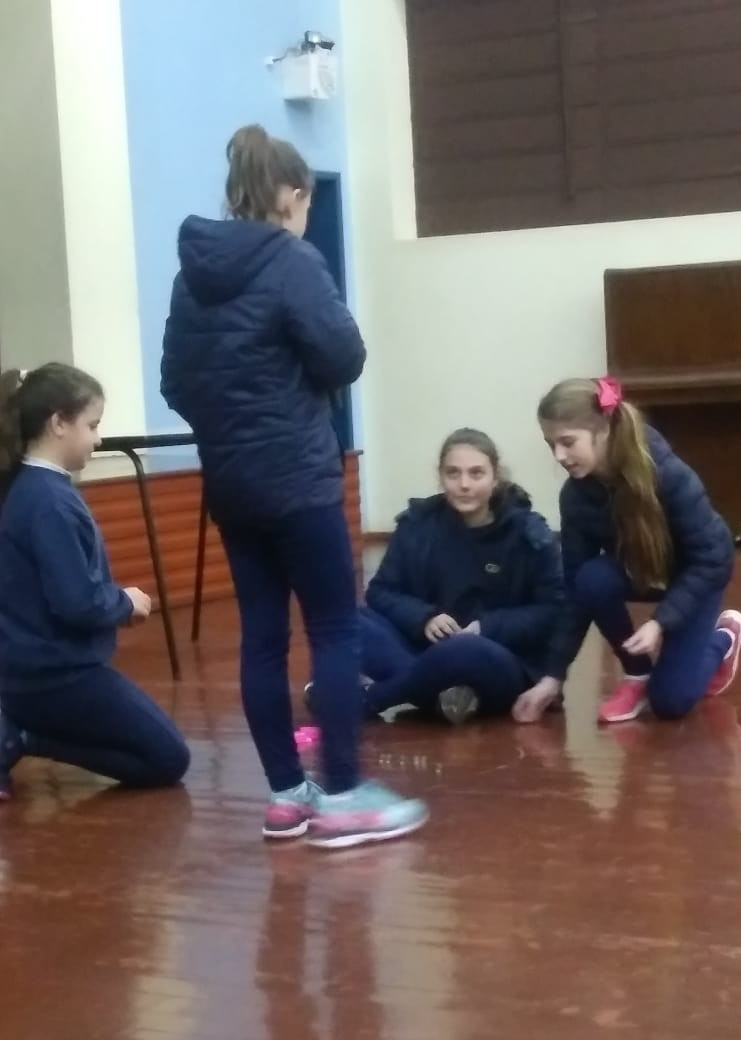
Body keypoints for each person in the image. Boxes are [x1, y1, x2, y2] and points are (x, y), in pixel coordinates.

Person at [161, 124, 427, 848]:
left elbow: (175, 382)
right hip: (300, 480)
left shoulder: (191, 277)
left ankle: (285, 795)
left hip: (232, 485)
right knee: (334, 628)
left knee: (262, 637)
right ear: (290, 194)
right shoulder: (293, 260)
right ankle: (342, 796)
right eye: (306, 200)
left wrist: (232, 424)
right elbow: (343, 357)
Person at [0, 363, 190, 798]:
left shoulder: (27, 489)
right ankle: (21, 736)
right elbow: (76, 603)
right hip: (57, 677)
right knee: (168, 758)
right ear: (58, 424)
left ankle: (22, 730)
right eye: (92, 425)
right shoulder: (49, 501)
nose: (98, 439)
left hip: (29, 673)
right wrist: (125, 603)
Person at [514, 377, 741, 726]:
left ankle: (723, 638)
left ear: (603, 429)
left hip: (697, 574)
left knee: (670, 703)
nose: (559, 456)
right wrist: (553, 676)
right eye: (551, 444)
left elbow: (713, 557)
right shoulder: (576, 497)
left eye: (568, 442)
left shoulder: (668, 474)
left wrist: (661, 622)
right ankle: (637, 674)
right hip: (642, 569)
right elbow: (576, 592)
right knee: (591, 580)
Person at [355, 428, 563, 723]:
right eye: (453, 473)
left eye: (476, 474)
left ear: (495, 477)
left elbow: (552, 610)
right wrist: (424, 618)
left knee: (464, 649)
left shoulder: (529, 534)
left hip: (498, 659)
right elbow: (380, 591)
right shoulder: (417, 525)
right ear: (441, 477)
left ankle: (373, 698)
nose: (464, 484)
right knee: (347, 619)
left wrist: (486, 627)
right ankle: (444, 697)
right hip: (423, 650)